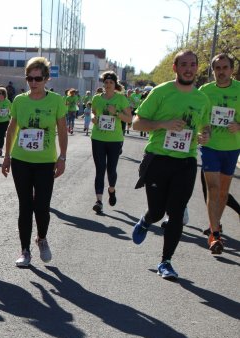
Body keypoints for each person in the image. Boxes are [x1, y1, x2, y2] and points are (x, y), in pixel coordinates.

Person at [131, 50, 210, 280]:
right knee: (156, 212)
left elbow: (205, 127)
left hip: (185, 162)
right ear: (175, 68)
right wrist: (163, 124)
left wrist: (204, 135)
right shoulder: (161, 92)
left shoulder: (201, 99)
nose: (188, 68)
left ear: (197, 68)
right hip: (158, 159)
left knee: (176, 213)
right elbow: (136, 123)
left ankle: (166, 262)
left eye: (192, 64)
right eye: (183, 64)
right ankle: (146, 220)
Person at [1, 56, 68, 267]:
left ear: (46, 79)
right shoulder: (20, 101)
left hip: (45, 162)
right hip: (21, 159)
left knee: (42, 205)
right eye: (29, 78)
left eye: (37, 79)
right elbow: (12, 129)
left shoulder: (56, 101)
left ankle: (41, 238)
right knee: (25, 206)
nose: (33, 83)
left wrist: (62, 157)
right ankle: (24, 250)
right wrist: (7, 156)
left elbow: (63, 130)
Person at [198, 53, 240, 254]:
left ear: (232, 70)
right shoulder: (204, 91)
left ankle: (216, 225)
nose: (221, 72)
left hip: (232, 148)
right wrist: (202, 132)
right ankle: (215, 235)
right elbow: (199, 118)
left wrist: (239, 125)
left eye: (225, 68)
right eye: (217, 68)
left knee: (223, 193)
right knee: (213, 189)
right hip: (211, 147)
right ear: (212, 71)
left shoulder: (239, 90)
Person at [90, 71, 132, 214]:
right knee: (100, 169)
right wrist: (93, 117)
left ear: (115, 85)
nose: (108, 85)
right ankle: (99, 201)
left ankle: (111, 189)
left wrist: (115, 113)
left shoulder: (121, 99)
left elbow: (129, 119)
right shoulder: (96, 98)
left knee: (111, 169)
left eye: (111, 83)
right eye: (106, 83)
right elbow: (93, 112)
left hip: (114, 139)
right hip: (98, 138)